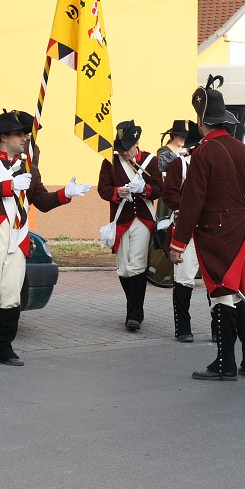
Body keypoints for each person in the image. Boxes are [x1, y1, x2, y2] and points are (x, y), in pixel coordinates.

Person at [0, 110, 91, 368]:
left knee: (11, 296)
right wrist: (10, 185)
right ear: (3, 137)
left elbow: (42, 201)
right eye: (19, 134)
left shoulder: (29, 169)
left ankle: (5, 348)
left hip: (18, 238)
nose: (25, 138)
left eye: (25, 134)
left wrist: (65, 194)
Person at [169, 74, 245, 381]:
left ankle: (225, 363)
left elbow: (193, 201)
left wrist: (178, 242)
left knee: (222, 292)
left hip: (217, 231)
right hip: (241, 230)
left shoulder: (204, 152)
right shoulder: (242, 150)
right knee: (236, 292)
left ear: (200, 121)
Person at [98, 120, 163, 332]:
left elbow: (158, 189)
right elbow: (103, 189)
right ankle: (134, 307)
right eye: (120, 149)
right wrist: (118, 192)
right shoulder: (110, 162)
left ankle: (134, 314)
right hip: (121, 219)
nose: (124, 153)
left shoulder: (151, 161)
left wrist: (144, 189)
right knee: (124, 269)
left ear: (136, 144)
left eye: (127, 148)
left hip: (143, 219)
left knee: (137, 265)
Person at [161, 122, 202, 343]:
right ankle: (183, 328)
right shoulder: (181, 165)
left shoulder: (215, 164)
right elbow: (169, 195)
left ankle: (218, 328)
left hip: (210, 230)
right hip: (186, 228)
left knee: (215, 281)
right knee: (184, 279)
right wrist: (189, 207)